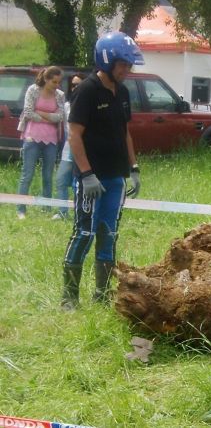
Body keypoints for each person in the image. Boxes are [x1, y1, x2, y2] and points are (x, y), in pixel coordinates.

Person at [61, 32, 143, 310]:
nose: (127, 70)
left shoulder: (122, 93)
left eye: (129, 65)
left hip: (115, 177)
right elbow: (74, 135)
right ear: (107, 60)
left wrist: (133, 168)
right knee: (84, 233)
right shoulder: (86, 90)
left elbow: (125, 133)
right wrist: (86, 174)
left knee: (108, 233)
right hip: (90, 179)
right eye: (123, 64)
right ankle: (69, 298)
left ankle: (101, 293)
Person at [16, 66, 66, 219]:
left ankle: (46, 207)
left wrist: (42, 114)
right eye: (54, 82)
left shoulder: (60, 95)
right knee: (27, 174)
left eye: (59, 82)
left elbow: (61, 116)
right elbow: (28, 112)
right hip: (32, 137)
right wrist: (49, 117)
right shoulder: (33, 90)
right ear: (46, 79)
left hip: (51, 140)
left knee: (47, 175)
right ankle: (21, 209)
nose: (56, 85)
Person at [53, 73, 85, 220]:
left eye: (79, 84)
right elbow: (66, 129)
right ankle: (63, 212)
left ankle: (80, 213)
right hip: (68, 148)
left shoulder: (88, 104)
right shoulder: (67, 105)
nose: (75, 87)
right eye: (73, 85)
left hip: (84, 148)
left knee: (77, 184)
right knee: (60, 180)